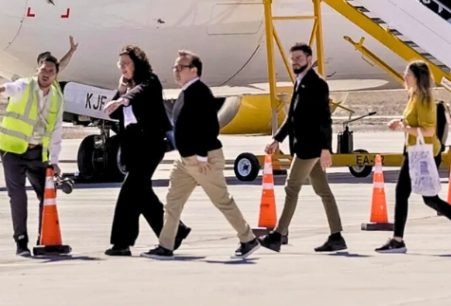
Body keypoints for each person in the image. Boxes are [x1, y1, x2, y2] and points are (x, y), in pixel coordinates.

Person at [143, 52, 261, 260]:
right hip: (186, 160)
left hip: (202, 159)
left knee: (222, 200)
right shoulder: (186, 92)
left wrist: (203, 156)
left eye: (181, 67)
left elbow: (210, 127)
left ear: (194, 70)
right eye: (175, 67)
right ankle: (165, 245)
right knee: (173, 201)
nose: (176, 71)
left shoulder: (200, 92)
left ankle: (248, 238)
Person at [376, 60, 451, 254]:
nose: (405, 77)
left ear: (417, 78)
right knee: (428, 198)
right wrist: (400, 122)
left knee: (404, 194)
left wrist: (403, 127)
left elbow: (428, 130)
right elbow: (415, 120)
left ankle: (398, 239)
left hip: (423, 154)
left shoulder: (425, 100)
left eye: (408, 74)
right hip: (416, 152)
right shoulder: (414, 97)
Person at [102, 46, 190, 256]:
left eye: (126, 63)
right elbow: (116, 113)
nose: (122, 67)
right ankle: (175, 231)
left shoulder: (150, 81)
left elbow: (138, 93)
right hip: (133, 146)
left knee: (129, 192)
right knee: (141, 194)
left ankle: (121, 243)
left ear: (137, 63)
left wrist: (124, 99)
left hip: (151, 144)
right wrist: (117, 99)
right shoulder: (125, 86)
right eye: (120, 64)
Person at [261, 43, 345, 253]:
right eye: (292, 59)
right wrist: (277, 139)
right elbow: (292, 118)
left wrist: (326, 148)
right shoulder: (300, 82)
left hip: (311, 146)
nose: (295, 62)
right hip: (304, 146)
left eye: (298, 58)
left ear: (309, 58)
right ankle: (337, 236)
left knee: (291, 187)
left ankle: (278, 234)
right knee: (323, 191)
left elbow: (324, 118)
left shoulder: (316, 84)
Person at [0, 55, 64, 256]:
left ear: (56, 75)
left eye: (51, 71)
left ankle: (45, 237)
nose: (46, 74)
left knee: (48, 194)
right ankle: (21, 242)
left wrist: (54, 160)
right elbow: (14, 88)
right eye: (44, 69)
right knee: (18, 196)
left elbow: (57, 132)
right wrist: (2, 89)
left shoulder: (57, 98)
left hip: (37, 152)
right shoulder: (26, 85)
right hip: (12, 150)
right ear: (37, 69)